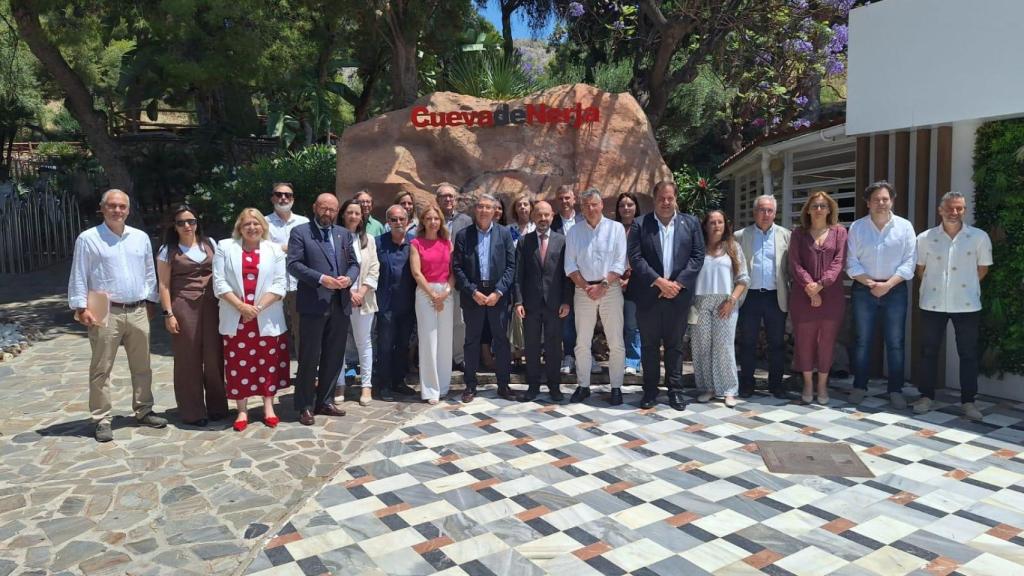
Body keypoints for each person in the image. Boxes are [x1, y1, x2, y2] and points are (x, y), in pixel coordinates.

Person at [69, 189, 167, 443]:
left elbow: (148, 271)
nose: (117, 210)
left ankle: (144, 409)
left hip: (136, 309)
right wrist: (81, 307)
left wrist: (151, 299)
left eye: (122, 206)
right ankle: (102, 418)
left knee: (142, 365)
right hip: (104, 308)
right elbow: (79, 273)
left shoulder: (140, 237)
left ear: (128, 209)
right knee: (101, 368)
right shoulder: (88, 239)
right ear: (102, 208)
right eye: (112, 206)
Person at [912, 192, 992, 420]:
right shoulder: (925, 238)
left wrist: (960, 287)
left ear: (964, 210)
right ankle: (925, 396)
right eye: (950, 208)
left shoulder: (978, 237)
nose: (954, 213)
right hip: (932, 303)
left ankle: (969, 402)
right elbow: (920, 269)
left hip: (966, 304)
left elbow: (982, 269)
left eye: (959, 209)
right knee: (928, 352)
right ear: (940, 210)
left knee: (968, 354)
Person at [627, 181, 705, 410]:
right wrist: (660, 282)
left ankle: (675, 391)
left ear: (675, 199)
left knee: (675, 346)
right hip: (649, 295)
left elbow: (697, 257)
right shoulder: (641, 225)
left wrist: (677, 284)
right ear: (654, 199)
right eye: (661, 198)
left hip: (678, 297)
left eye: (670, 198)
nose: (666, 202)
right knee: (649, 347)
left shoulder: (690, 223)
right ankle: (650, 391)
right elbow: (636, 257)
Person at [212, 208, 289, 431]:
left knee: (268, 364)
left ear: (263, 227)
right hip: (236, 318)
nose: (252, 228)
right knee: (237, 365)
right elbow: (219, 282)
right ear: (240, 227)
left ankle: (268, 408)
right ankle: (242, 410)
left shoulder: (274, 249)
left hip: (266, 317)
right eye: (247, 224)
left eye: (256, 224)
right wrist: (241, 307)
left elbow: (279, 283)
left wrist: (256, 308)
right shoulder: (225, 247)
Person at [287, 193, 360, 425]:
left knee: (334, 355)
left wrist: (349, 279)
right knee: (309, 357)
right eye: (324, 208)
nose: (327, 213)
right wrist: (321, 279)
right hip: (314, 304)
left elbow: (354, 264)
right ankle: (305, 405)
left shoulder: (344, 234)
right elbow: (294, 265)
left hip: (340, 304)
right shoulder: (301, 233)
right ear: (314, 207)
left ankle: (325, 401)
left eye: (332, 209)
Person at [846, 181, 917, 407]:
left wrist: (887, 285)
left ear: (892, 201)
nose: (881, 203)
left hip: (894, 290)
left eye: (885, 199)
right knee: (862, 341)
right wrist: (870, 283)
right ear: (868, 203)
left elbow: (909, 262)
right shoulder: (857, 227)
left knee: (895, 342)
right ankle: (859, 386)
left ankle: (895, 390)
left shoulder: (905, 227)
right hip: (863, 290)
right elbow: (851, 262)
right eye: (876, 199)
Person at [157, 205, 228, 426]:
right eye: (181, 222)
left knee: (214, 357)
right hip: (183, 306)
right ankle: (193, 411)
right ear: (174, 226)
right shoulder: (167, 250)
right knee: (188, 359)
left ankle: (217, 406)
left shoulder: (211, 244)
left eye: (191, 221)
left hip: (212, 305)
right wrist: (168, 314)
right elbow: (164, 284)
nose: (187, 226)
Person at [565, 188, 628, 405]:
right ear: (581, 208)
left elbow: (620, 263)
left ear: (602, 205)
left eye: (594, 204)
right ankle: (583, 386)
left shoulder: (616, 229)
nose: (590, 209)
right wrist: (585, 286)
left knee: (616, 341)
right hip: (583, 291)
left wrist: (602, 285)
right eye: (586, 205)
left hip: (610, 289)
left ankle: (617, 387)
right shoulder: (574, 232)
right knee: (581, 342)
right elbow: (570, 265)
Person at [453, 194, 517, 402]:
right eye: (479, 206)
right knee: (471, 341)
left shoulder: (504, 234)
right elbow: (457, 267)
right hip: (474, 296)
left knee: (501, 341)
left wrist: (498, 292)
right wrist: (473, 291)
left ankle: (503, 384)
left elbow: (511, 265)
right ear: (475, 210)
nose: (483, 210)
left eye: (488, 207)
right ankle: (470, 385)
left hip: (498, 295)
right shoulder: (464, 235)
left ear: (494, 211)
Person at [788, 192, 848, 405]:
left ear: (830, 209)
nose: (819, 209)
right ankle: (807, 383)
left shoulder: (840, 232)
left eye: (823, 206)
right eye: (815, 206)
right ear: (808, 210)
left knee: (827, 342)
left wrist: (821, 285)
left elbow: (839, 262)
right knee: (804, 342)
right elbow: (794, 263)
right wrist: (809, 287)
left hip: (831, 297)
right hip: (802, 297)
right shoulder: (798, 233)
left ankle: (822, 384)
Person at [735, 195, 792, 399]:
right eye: (761, 210)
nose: (765, 214)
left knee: (776, 343)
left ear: (775, 213)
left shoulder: (786, 236)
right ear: (754, 212)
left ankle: (776, 385)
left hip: (775, 296)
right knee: (748, 342)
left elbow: (789, 269)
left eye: (769, 210)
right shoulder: (741, 236)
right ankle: (747, 384)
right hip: (749, 297)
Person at [514, 201, 571, 402]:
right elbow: (518, 275)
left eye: (546, 215)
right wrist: (518, 301)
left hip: (555, 304)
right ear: (533, 216)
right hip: (530, 304)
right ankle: (533, 385)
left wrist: (566, 301)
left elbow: (567, 275)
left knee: (554, 346)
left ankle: (554, 386)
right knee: (531, 346)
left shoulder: (562, 241)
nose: (543, 219)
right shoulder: (524, 242)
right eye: (539, 214)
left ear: (552, 216)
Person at [692, 210, 749, 407]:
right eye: (712, 222)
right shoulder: (697, 247)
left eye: (720, 222)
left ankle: (729, 390)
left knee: (724, 347)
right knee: (702, 346)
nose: (716, 225)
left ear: (725, 225)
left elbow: (743, 279)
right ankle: (707, 388)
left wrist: (731, 300)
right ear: (705, 226)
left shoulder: (733, 247)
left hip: (726, 302)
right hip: (700, 302)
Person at [335, 199, 380, 406]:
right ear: (343, 214)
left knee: (364, 342)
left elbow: (374, 269)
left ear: (362, 217)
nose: (353, 216)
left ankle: (366, 386)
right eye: (350, 212)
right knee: (338, 343)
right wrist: (347, 292)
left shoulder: (368, 239)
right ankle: (340, 384)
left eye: (357, 213)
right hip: (339, 298)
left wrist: (361, 292)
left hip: (364, 299)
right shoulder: (333, 236)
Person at [410, 204, 455, 404]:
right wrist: (433, 295)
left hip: (446, 292)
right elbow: (416, 273)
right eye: (429, 218)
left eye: (436, 218)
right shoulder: (416, 243)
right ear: (423, 222)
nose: (433, 222)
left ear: (441, 221)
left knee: (445, 341)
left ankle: (443, 386)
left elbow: (454, 271)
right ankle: (430, 390)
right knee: (429, 341)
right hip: (425, 292)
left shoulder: (447, 243)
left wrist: (445, 293)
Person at [374, 205, 418, 401]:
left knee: (402, 345)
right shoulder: (377, 243)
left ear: (408, 221)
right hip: (385, 304)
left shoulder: (414, 244)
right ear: (388, 222)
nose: (398, 223)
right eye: (393, 219)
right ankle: (383, 385)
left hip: (407, 305)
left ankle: (399, 382)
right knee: (384, 346)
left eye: (401, 219)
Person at [551, 184, 593, 376]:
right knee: (567, 319)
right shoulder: (552, 224)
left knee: (587, 318)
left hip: (586, 278)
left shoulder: (585, 220)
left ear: (574, 199)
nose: (564, 201)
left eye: (567, 198)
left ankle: (587, 355)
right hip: (562, 279)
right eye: (560, 198)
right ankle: (569, 355)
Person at [265, 183, 309, 359]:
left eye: (288, 195)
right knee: (272, 329)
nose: (283, 198)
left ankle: (305, 373)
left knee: (302, 331)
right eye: (279, 194)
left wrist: (279, 248)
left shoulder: (304, 222)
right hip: (272, 285)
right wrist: (288, 247)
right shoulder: (262, 222)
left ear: (293, 199)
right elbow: (260, 248)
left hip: (299, 284)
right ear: (272, 198)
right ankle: (273, 373)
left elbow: (308, 250)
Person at [436, 183, 473, 370]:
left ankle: (458, 358)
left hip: (458, 278)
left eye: (451, 196)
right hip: (435, 279)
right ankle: (441, 358)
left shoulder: (465, 221)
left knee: (459, 321)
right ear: (437, 200)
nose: (448, 199)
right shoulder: (432, 219)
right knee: (438, 321)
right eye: (444, 196)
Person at [615, 192, 643, 376]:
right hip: (613, 281)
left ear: (636, 208)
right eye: (622, 205)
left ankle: (633, 361)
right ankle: (617, 360)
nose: (626, 208)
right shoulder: (612, 228)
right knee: (615, 325)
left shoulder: (642, 228)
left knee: (632, 324)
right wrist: (616, 277)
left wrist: (630, 277)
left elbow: (645, 256)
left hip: (636, 281)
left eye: (630, 204)